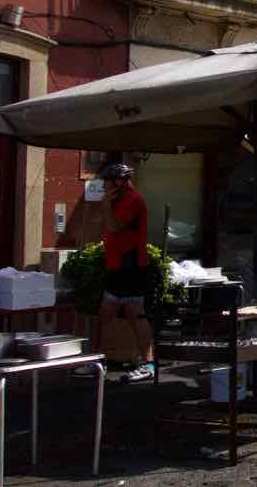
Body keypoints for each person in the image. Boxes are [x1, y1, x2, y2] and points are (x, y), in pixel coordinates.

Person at [95, 163, 155, 383]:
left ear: (117, 183)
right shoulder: (119, 200)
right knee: (106, 313)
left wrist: (105, 205)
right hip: (116, 265)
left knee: (135, 313)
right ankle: (98, 360)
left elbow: (114, 226)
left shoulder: (132, 200)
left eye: (106, 182)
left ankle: (148, 363)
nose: (103, 186)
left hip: (130, 265)